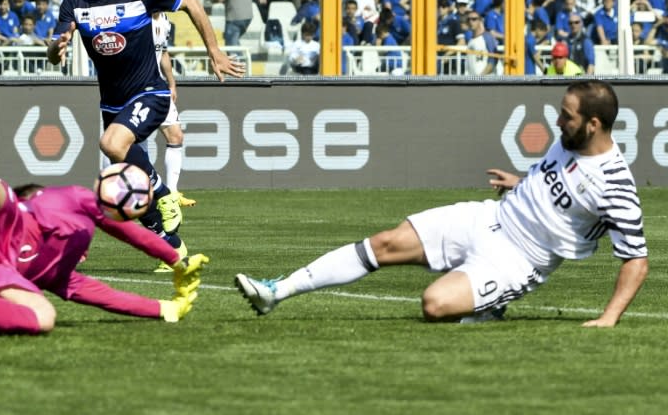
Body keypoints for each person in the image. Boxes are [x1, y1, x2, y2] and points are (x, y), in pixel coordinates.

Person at [236, 81, 648, 327]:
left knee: (434, 305)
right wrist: (521, 182)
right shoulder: (567, 142)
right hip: (488, 217)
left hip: (520, 261)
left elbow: (636, 259)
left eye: (567, 116)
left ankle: (490, 305)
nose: (559, 122)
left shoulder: (616, 185)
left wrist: (609, 317)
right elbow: (561, 187)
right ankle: (277, 291)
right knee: (384, 242)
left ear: (594, 124)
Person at [47, 0, 244, 259]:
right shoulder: (75, 0)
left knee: (111, 144)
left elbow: (192, 4)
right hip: (111, 102)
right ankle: (172, 247)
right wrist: (57, 47)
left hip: (150, 92)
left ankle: (166, 194)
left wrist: (215, 52)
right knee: (128, 181)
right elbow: (54, 53)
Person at [0, 160, 209, 333]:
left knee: (44, 317)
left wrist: (166, 308)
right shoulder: (71, 200)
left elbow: (110, 297)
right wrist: (173, 257)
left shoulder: (60, 276)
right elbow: (127, 231)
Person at [151, 0, 196, 211]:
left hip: (159, 86)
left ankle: (172, 192)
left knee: (176, 136)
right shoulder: (139, 19)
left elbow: (163, 53)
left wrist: (172, 83)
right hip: (138, 88)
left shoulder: (166, 21)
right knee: (129, 144)